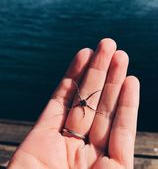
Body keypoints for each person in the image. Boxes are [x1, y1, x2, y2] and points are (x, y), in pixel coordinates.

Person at [8, 38, 140, 169]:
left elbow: (84, 103)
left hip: (83, 104)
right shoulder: (82, 103)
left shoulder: (82, 103)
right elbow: (82, 104)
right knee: (86, 106)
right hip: (83, 104)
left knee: (86, 105)